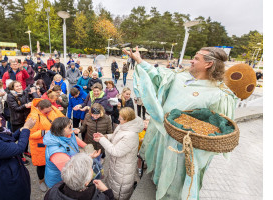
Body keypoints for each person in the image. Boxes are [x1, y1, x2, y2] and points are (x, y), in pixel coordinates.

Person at [124, 46, 238, 199]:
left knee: (176, 180)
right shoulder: (179, 76)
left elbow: (217, 125)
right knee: (161, 169)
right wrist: (139, 60)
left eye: (197, 58)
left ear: (208, 64)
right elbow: (157, 75)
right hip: (164, 137)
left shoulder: (219, 94)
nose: (191, 60)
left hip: (184, 148)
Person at [93, 107, 143, 200]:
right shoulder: (124, 125)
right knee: (113, 186)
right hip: (117, 165)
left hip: (123, 169)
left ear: (127, 119)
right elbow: (117, 136)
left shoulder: (131, 135)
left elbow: (116, 151)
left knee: (119, 194)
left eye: (120, 118)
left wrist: (101, 139)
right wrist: (106, 136)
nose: (118, 120)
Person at [43, 117, 101, 188]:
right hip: (60, 180)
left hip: (72, 162)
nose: (72, 128)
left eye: (71, 124)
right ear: (61, 130)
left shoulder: (67, 133)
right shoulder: (57, 153)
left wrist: (86, 146)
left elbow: (73, 138)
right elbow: (72, 171)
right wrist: (89, 158)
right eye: (70, 127)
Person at [27, 99, 65, 192]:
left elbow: (62, 119)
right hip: (40, 145)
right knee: (41, 164)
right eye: (46, 111)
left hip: (53, 143)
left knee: (53, 163)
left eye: (50, 110)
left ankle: (53, 180)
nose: (49, 112)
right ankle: (41, 181)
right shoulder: (33, 117)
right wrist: (44, 132)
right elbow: (29, 134)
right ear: (40, 108)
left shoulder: (52, 109)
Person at [44, 153, 114, 200]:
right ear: (86, 183)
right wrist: (106, 191)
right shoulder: (100, 197)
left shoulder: (53, 191)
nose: (92, 169)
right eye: (90, 168)